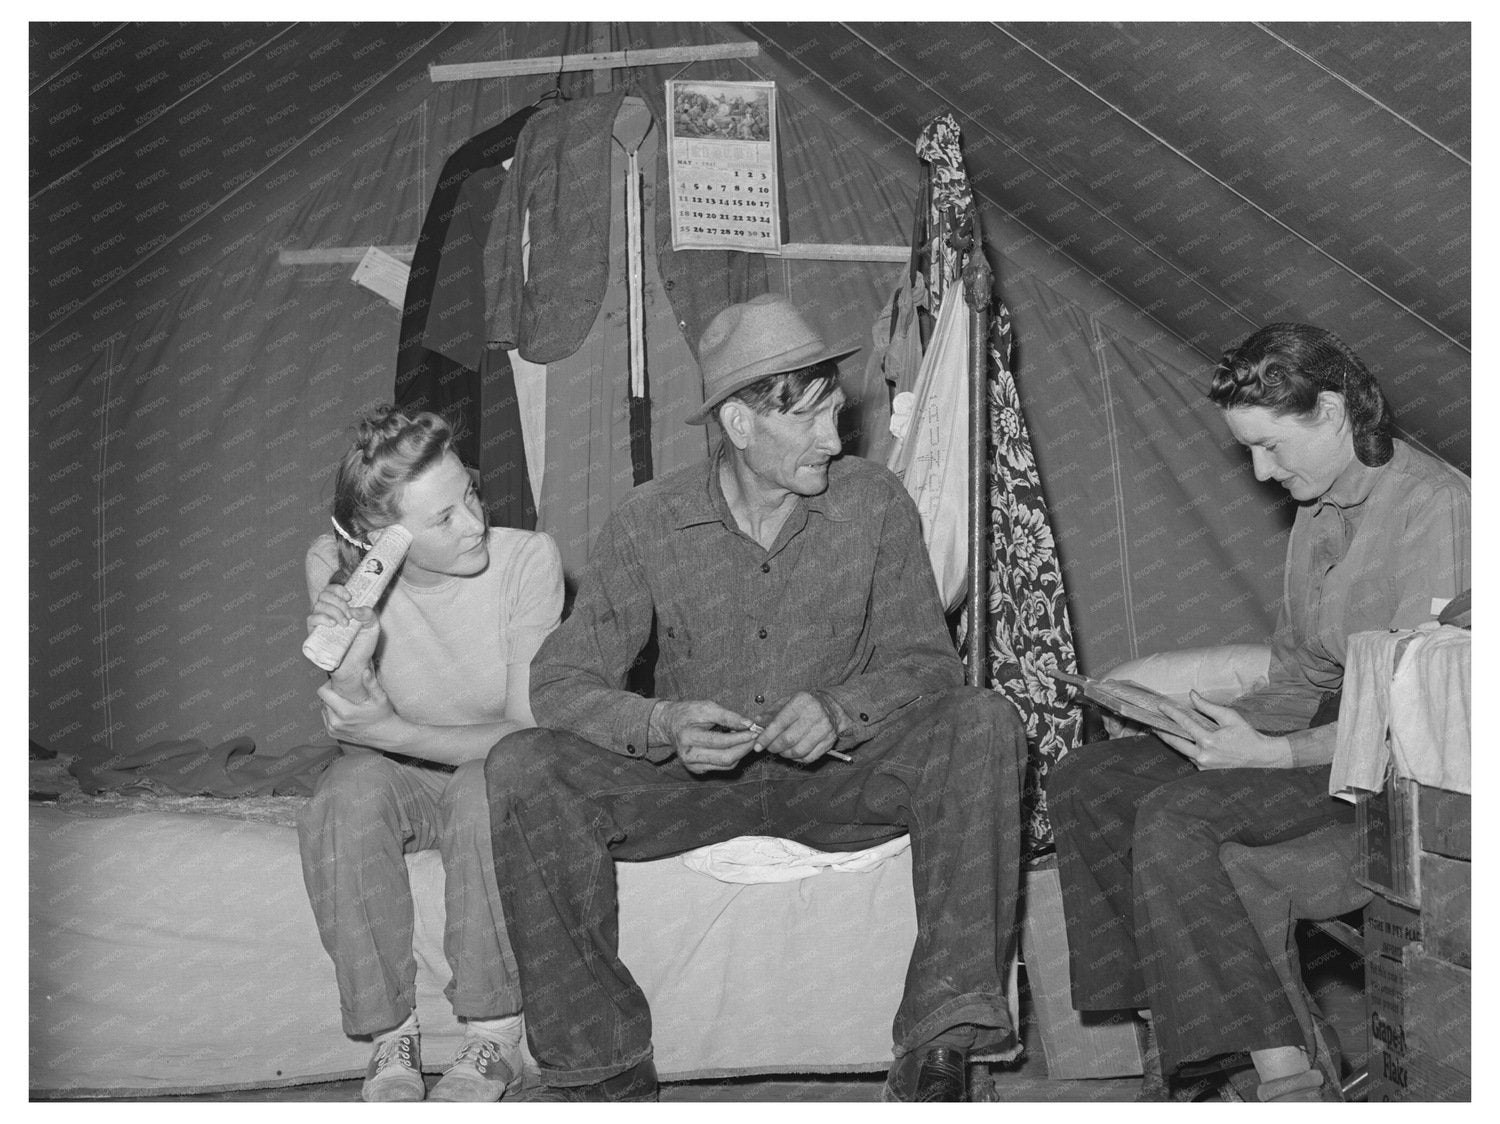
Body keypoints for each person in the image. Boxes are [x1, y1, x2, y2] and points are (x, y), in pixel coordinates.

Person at [484, 293, 1029, 1102]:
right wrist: (660, 724)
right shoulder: (650, 521)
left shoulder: (875, 505)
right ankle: (598, 1065)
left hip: (837, 781)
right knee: (524, 765)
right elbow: (560, 683)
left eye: (835, 413)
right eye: (806, 419)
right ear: (739, 425)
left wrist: (842, 710)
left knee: (982, 720)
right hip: (689, 790)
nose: (832, 438)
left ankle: (943, 1041)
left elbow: (927, 666)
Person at [1047, 323, 1470, 1102]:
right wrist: (1209, 719)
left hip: (1389, 770)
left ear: (1335, 413)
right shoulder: (1320, 506)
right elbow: (1303, 667)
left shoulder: (1436, 507)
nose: (1260, 471)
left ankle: (1280, 1071)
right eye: (1247, 449)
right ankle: (1184, 1014)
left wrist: (1270, 755)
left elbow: (1414, 714)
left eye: (1272, 447)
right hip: (1323, 724)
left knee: (1178, 816)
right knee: (1086, 780)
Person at [297, 406, 563, 1102]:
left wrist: (389, 732)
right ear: (380, 540)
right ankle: (391, 1036)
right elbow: (354, 734)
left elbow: (527, 734)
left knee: (486, 787)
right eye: (444, 518)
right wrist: (351, 666)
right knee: (345, 791)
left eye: (470, 493)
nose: (474, 521)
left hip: (494, 764)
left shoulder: (528, 558)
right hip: (402, 775)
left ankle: (494, 1036)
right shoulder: (332, 565)